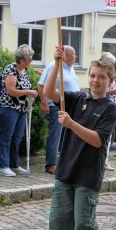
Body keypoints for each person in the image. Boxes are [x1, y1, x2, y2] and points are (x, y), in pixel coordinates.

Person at [45, 46, 116, 230]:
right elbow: (49, 91)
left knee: (85, 223)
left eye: (101, 77)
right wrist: (57, 64)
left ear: (110, 81)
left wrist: (71, 123)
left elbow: (97, 140)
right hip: (66, 170)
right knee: (66, 224)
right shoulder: (78, 98)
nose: (96, 80)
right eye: (93, 75)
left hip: (88, 173)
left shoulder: (110, 109)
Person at [0, 44, 38, 177]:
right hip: (9, 107)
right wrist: (29, 91)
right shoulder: (11, 70)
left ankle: (14, 165)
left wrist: (29, 99)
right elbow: (11, 91)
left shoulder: (24, 71)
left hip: (21, 108)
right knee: (6, 136)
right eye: (29, 58)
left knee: (17, 138)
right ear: (22, 59)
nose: (31, 60)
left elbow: (24, 91)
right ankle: (3, 166)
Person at [37, 45, 80, 175]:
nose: (76, 56)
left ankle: (62, 162)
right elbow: (41, 85)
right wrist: (44, 103)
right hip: (55, 106)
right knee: (55, 136)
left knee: (65, 137)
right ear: (66, 55)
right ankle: (50, 164)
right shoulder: (53, 66)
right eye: (74, 54)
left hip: (70, 107)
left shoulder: (71, 68)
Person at [101, 51, 116, 171]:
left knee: (109, 137)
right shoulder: (101, 73)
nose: (112, 66)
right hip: (104, 107)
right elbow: (98, 91)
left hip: (111, 107)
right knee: (104, 136)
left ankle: (105, 161)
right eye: (111, 63)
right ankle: (102, 161)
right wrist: (112, 92)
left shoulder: (110, 73)